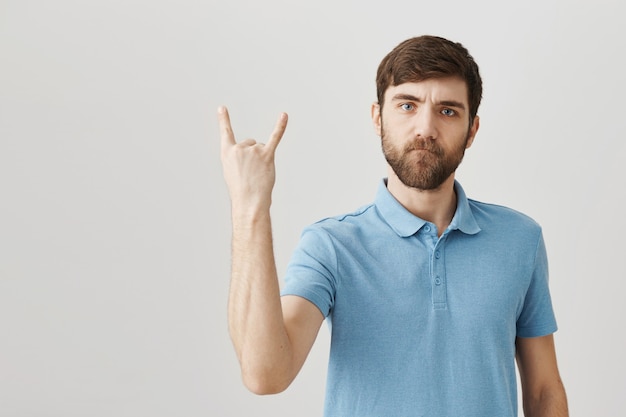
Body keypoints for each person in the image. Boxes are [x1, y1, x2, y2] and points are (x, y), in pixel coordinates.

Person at [218, 35, 568, 417]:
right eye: (407, 105)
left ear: (472, 130)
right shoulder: (331, 245)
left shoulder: (520, 240)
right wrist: (250, 208)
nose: (425, 128)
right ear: (377, 117)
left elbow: (543, 391)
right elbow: (265, 375)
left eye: (448, 111)